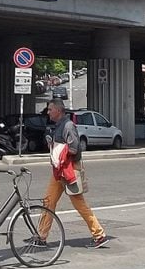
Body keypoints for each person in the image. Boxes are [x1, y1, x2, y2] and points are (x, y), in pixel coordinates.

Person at [37, 98, 109, 249]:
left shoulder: (68, 126)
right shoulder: (59, 125)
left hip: (69, 170)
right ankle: (41, 236)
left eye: (50, 109)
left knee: (80, 204)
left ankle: (99, 235)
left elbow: (74, 149)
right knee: (48, 202)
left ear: (58, 110)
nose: (48, 112)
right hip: (60, 170)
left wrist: (59, 150)